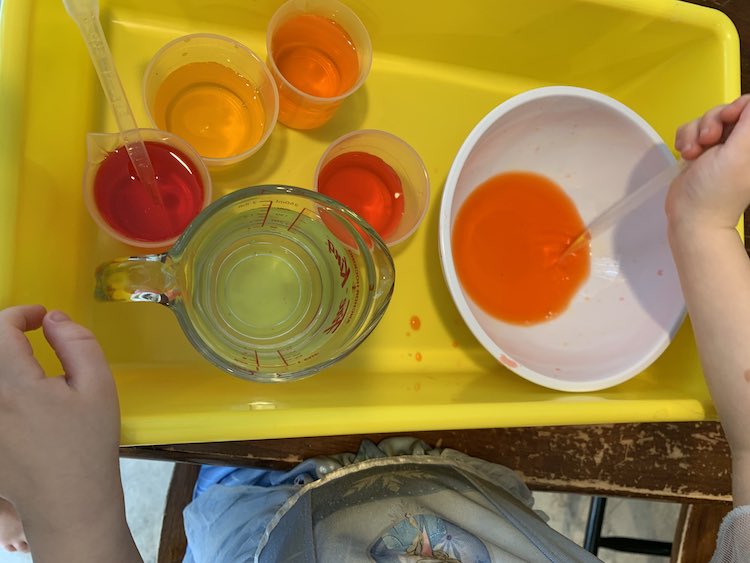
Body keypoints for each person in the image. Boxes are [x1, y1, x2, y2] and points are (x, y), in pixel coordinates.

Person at [2, 94, 750, 561]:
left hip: (255, 505)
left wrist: (76, 518)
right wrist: (704, 221)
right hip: (467, 482)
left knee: (223, 458)